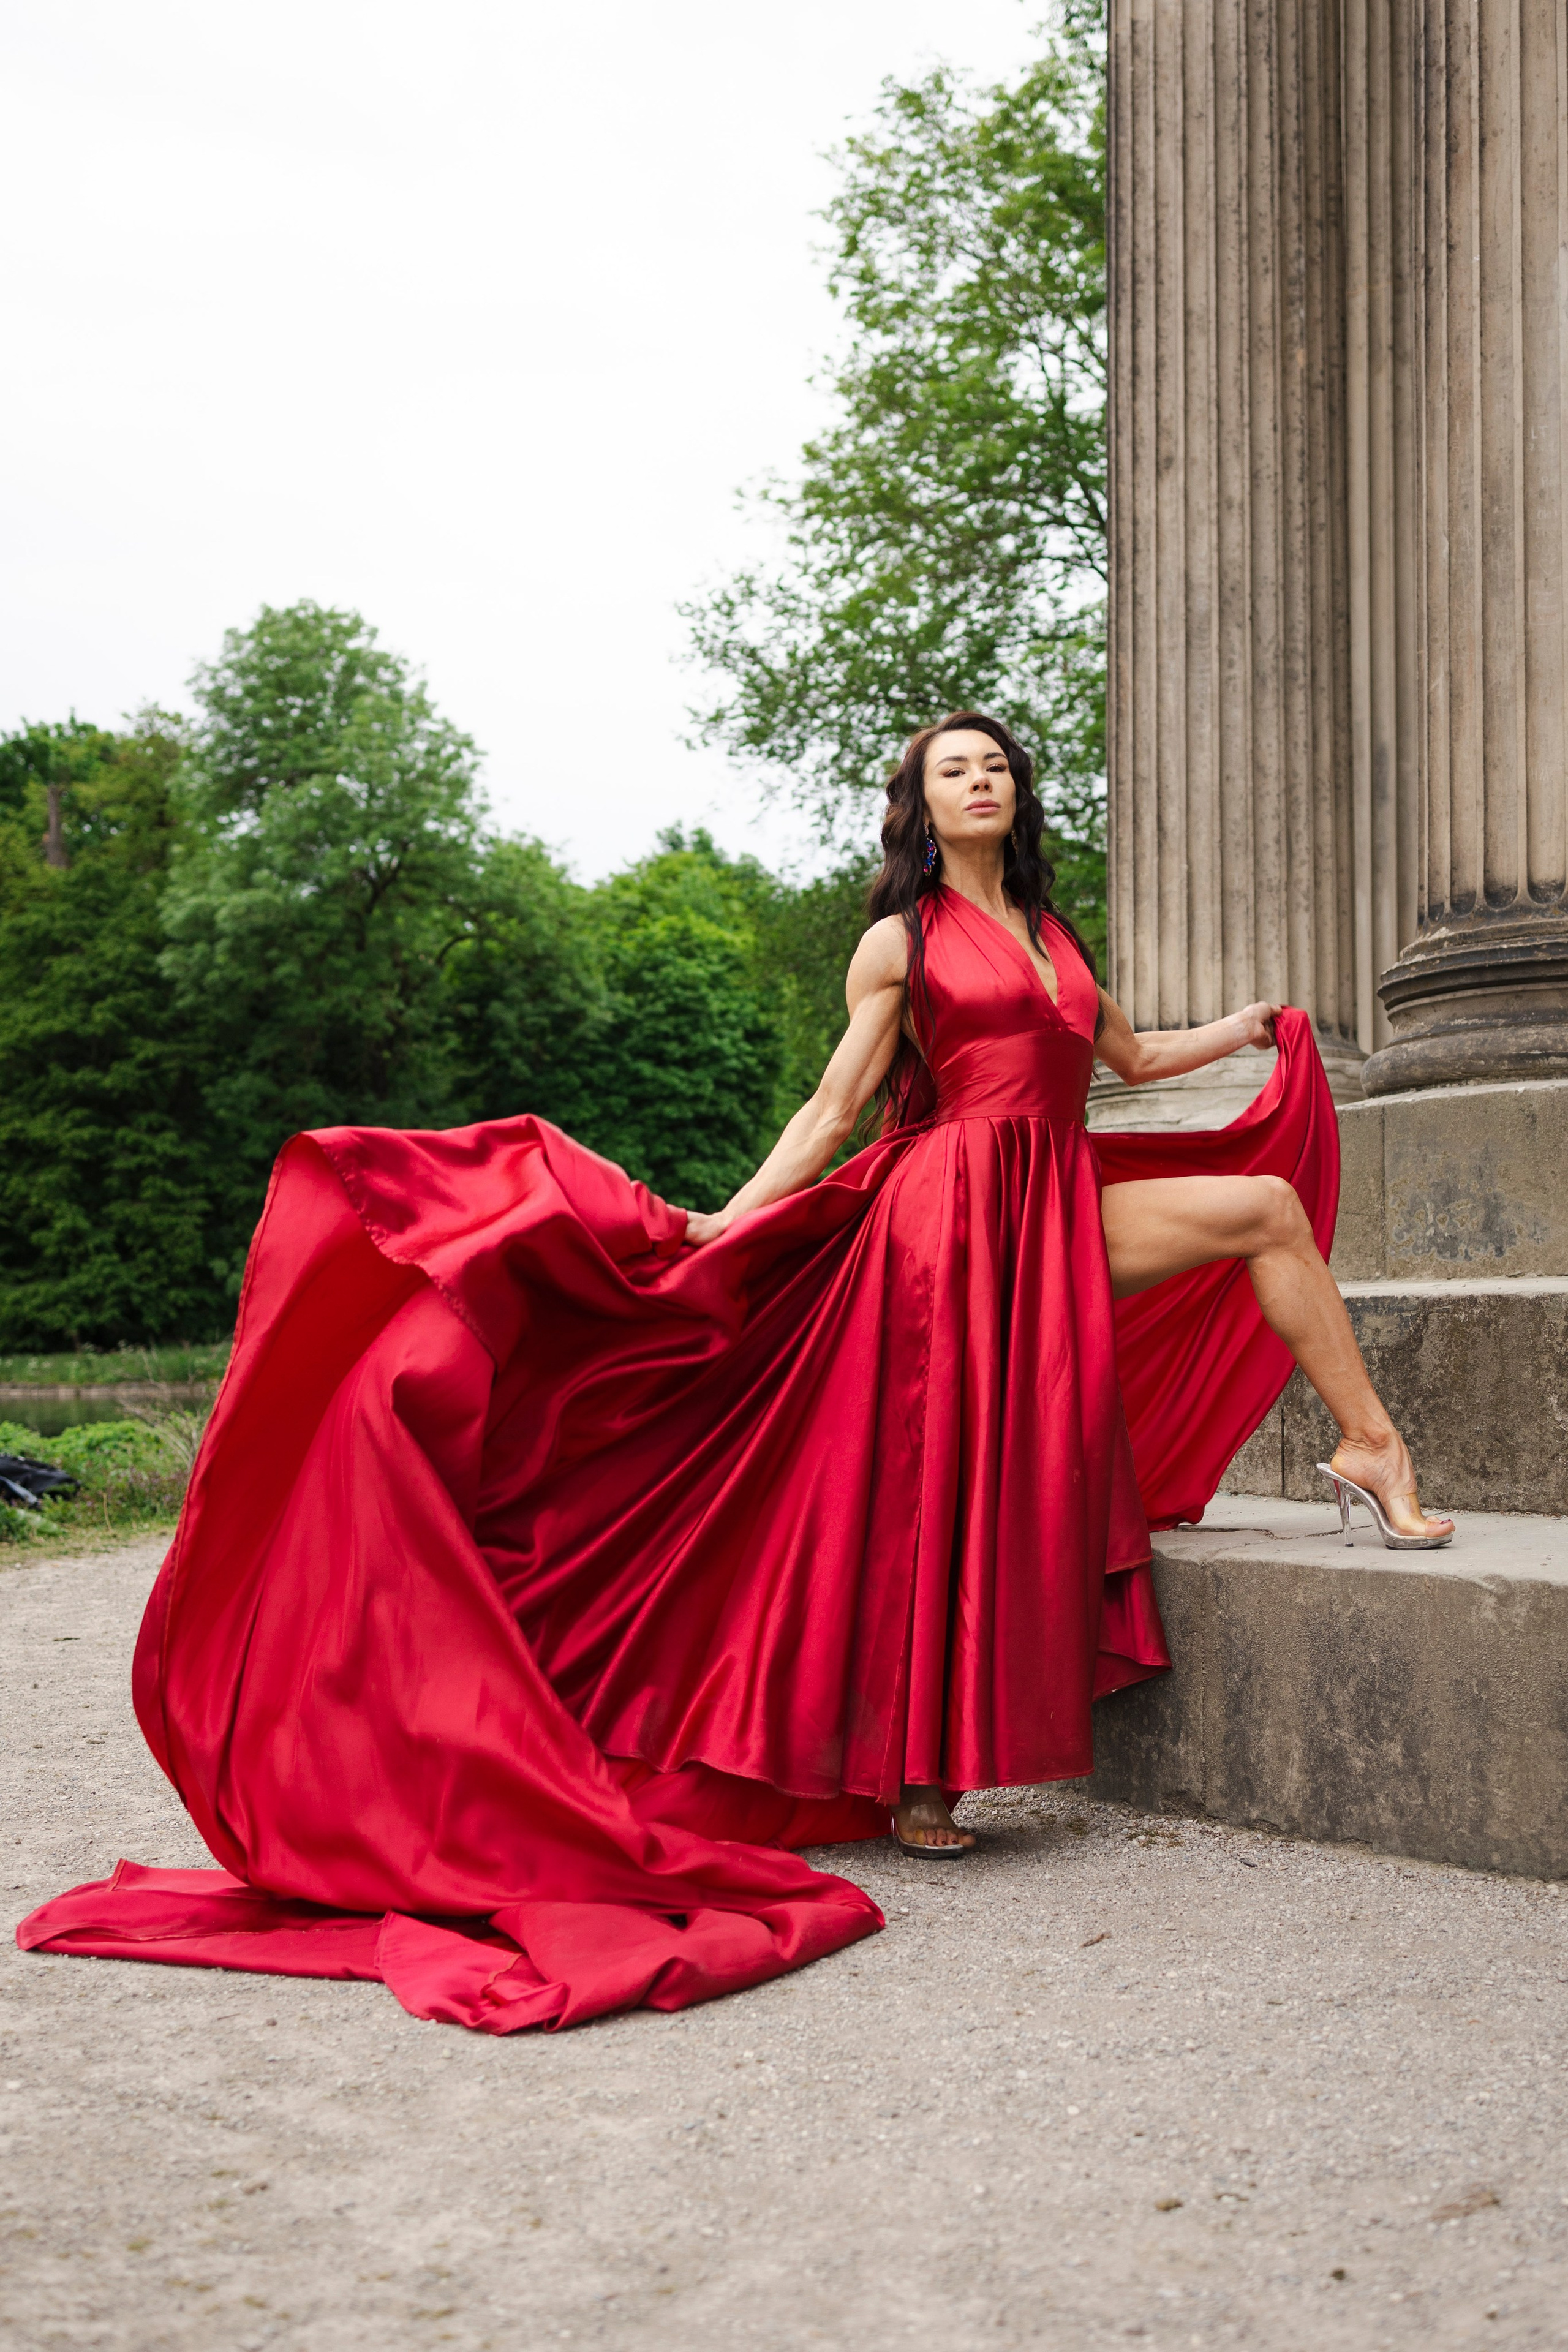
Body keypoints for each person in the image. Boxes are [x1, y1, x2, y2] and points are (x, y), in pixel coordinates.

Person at [18, 712, 1450, 2025]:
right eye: (953, 767)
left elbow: (1129, 1067)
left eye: (995, 764)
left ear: (1017, 796)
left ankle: (1367, 1448)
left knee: (1258, 1209)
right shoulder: (899, 938)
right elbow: (836, 1101)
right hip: (944, 1225)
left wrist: (1256, 1031)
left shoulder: (1056, 936)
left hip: (1053, 1199)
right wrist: (732, 1216)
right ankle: (920, 1775)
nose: (979, 780)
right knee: (952, 1475)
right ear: (918, 803)